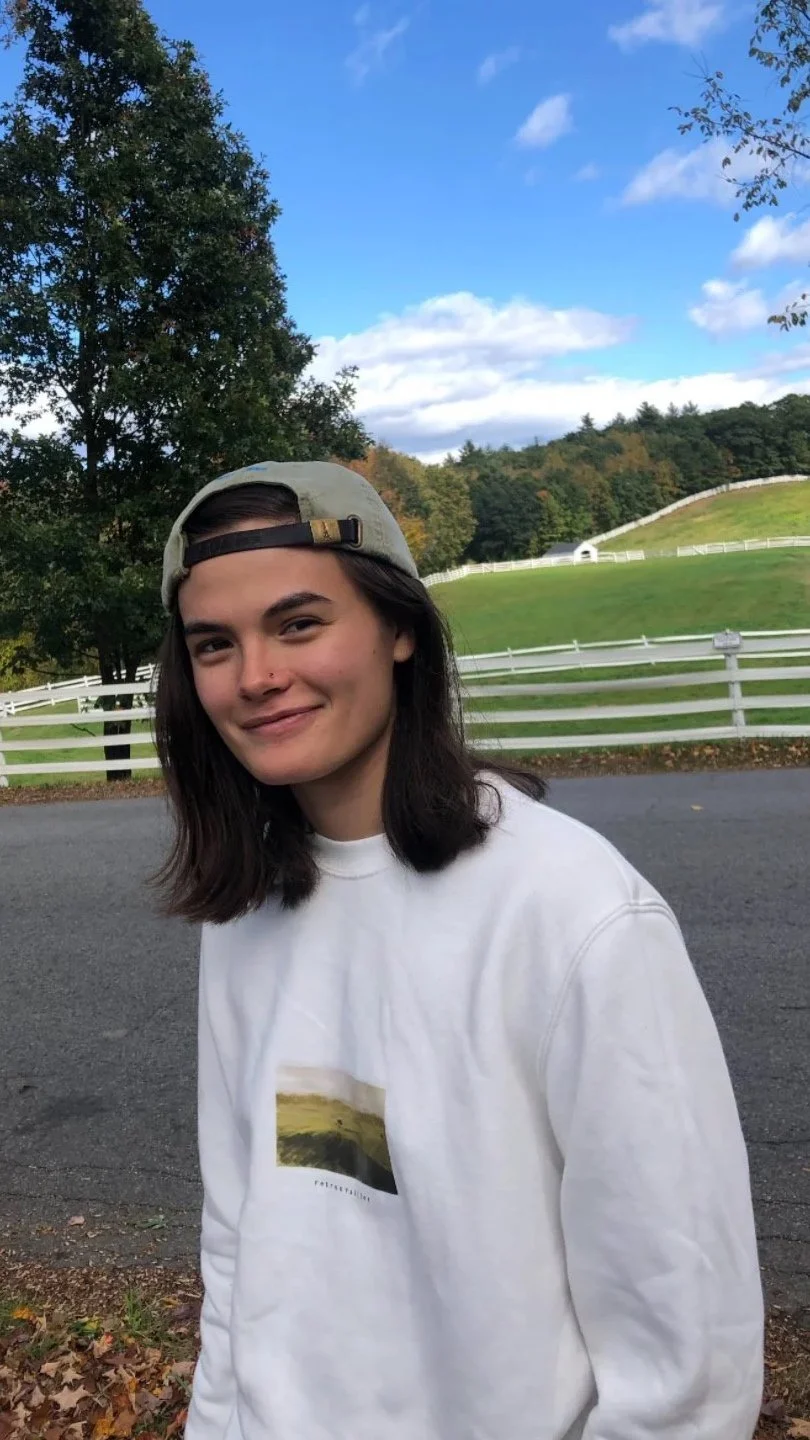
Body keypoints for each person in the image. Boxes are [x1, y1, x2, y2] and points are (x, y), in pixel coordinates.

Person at [154, 460, 764, 1440]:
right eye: (213, 644)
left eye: (299, 623)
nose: (257, 676)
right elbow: (240, 1239)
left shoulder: (576, 914)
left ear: (399, 629)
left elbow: (685, 1354)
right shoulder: (245, 907)